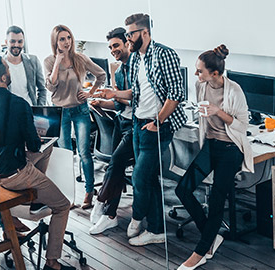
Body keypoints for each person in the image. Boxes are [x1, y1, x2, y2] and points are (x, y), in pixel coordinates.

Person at [0, 55, 74, 270]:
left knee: (48, 150)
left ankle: (37, 196)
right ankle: (52, 263)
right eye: (7, 68)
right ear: (3, 76)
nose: (9, 71)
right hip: (17, 174)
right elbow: (35, 146)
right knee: (63, 205)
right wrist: (33, 137)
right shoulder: (19, 104)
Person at [95, 13, 187, 246]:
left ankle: (137, 217)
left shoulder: (164, 55)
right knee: (149, 177)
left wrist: (157, 122)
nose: (128, 38)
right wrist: (114, 93)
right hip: (138, 123)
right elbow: (135, 93)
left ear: (144, 33)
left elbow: (176, 94)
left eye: (130, 34)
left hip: (157, 126)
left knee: (139, 176)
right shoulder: (136, 58)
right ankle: (156, 229)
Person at [175, 45, 253, 270]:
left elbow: (242, 126)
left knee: (218, 199)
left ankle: (200, 252)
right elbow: (202, 114)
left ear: (216, 73)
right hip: (210, 146)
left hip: (230, 150)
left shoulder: (234, 91)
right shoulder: (201, 86)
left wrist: (218, 112)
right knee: (183, 189)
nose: (196, 74)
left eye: (200, 71)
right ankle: (211, 237)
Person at [43, 24, 106, 209]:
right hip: (60, 112)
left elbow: (101, 75)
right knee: (65, 155)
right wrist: (57, 62)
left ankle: (88, 192)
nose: (67, 42)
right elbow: (50, 86)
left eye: (68, 37)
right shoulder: (48, 61)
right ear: (55, 42)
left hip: (80, 110)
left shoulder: (80, 59)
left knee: (84, 153)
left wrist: (90, 92)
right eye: (62, 39)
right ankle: (67, 196)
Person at [88, 27, 133, 234]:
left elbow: (136, 99)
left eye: (116, 45)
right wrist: (102, 102)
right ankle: (110, 213)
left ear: (127, 43)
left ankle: (101, 201)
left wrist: (113, 95)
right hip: (120, 122)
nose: (112, 50)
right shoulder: (120, 70)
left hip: (135, 125)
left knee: (115, 163)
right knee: (115, 168)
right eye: (110, 47)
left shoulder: (137, 68)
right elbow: (120, 105)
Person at [4, 25, 47, 105]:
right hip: (9, 113)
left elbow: (42, 89)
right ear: (6, 42)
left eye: (20, 41)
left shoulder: (33, 61)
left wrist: (39, 109)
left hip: (30, 111)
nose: (16, 45)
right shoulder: (0, 63)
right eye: (12, 41)